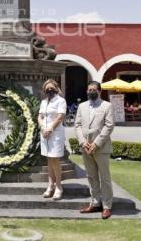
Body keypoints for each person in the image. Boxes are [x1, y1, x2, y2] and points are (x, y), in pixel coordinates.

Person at [74, 81, 114, 219]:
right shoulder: (81, 106)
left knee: (105, 178)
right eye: (89, 89)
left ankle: (107, 206)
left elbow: (109, 126)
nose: (91, 91)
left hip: (101, 147)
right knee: (91, 177)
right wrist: (83, 142)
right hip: (85, 147)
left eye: (94, 90)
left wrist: (96, 144)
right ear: (86, 91)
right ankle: (96, 202)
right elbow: (77, 125)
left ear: (99, 91)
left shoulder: (107, 106)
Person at [38, 79, 66, 200]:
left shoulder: (61, 101)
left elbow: (60, 117)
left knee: (55, 159)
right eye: (47, 88)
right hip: (44, 134)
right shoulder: (44, 102)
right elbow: (40, 116)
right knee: (49, 159)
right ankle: (50, 185)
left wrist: (49, 129)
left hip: (55, 134)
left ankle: (59, 186)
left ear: (56, 88)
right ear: (44, 90)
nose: (49, 90)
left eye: (51, 88)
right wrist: (42, 127)